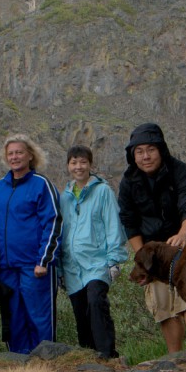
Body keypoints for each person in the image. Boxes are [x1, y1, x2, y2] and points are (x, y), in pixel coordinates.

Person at [118, 123, 186, 353]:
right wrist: (142, 258)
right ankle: (175, 358)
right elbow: (129, 222)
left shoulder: (180, 172)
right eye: (139, 151)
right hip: (152, 251)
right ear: (133, 155)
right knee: (161, 303)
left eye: (150, 150)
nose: (145, 156)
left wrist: (183, 234)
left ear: (161, 150)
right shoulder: (129, 181)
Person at [0, 134, 62, 354]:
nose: (15, 157)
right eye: (10, 153)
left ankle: (46, 361)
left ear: (30, 155)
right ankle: (19, 365)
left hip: (35, 266)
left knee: (39, 316)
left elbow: (53, 222)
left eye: (19, 152)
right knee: (14, 318)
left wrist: (44, 260)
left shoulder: (41, 185)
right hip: (6, 267)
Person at [59, 145, 128, 359]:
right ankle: (89, 357)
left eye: (83, 162)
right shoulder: (64, 197)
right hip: (72, 267)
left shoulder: (103, 191)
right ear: (68, 166)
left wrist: (114, 260)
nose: (78, 167)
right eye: (74, 162)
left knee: (96, 302)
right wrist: (60, 268)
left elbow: (113, 225)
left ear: (90, 164)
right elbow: (60, 233)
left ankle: (107, 354)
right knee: (81, 313)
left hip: (97, 263)